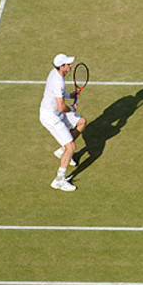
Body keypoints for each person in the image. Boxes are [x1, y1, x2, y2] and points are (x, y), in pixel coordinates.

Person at [40, 54, 86, 193]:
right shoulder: (58, 81)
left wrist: (69, 95)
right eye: (68, 64)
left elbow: (56, 94)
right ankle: (59, 180)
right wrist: (71, 108)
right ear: (62, 66)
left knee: (81, 122)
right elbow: (61, 107)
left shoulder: (55, 73)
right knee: (71, 147)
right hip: (51, 117)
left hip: (57, 113)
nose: (71, 66)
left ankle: (62, 151)